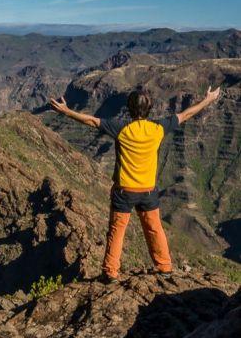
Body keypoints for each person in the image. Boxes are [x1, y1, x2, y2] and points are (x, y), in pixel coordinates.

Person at [49, 86, 221, 282]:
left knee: (117, 231)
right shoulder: (158, 128)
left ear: (129, 109)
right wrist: (208, 100)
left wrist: (66, 111)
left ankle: (110, 272)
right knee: (154, 228)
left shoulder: (121, 128)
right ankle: (164, 267)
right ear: (149, 110)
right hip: (148, 191)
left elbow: (90, 120)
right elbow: (186, 114)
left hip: (124, 191)